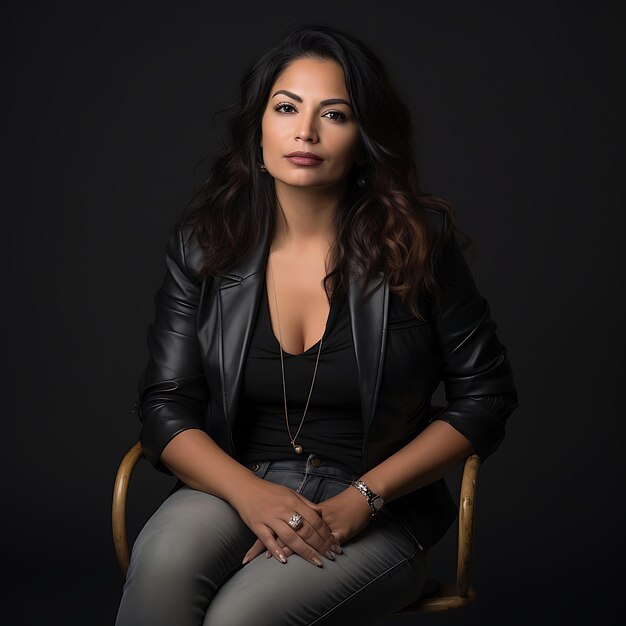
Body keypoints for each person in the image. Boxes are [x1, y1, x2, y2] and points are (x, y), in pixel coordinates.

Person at [115, 23, 520, 626]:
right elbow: (166, 406)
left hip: (377, 503)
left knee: (240, 618)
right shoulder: (204, 246)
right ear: (258, 127)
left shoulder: (418, 243)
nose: (305, 132)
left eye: (334, 114)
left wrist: (365, 497)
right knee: (165, 567)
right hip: (236, 482)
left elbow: (485, 397)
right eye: (286, 108)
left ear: (364, 137)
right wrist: (250, 495)